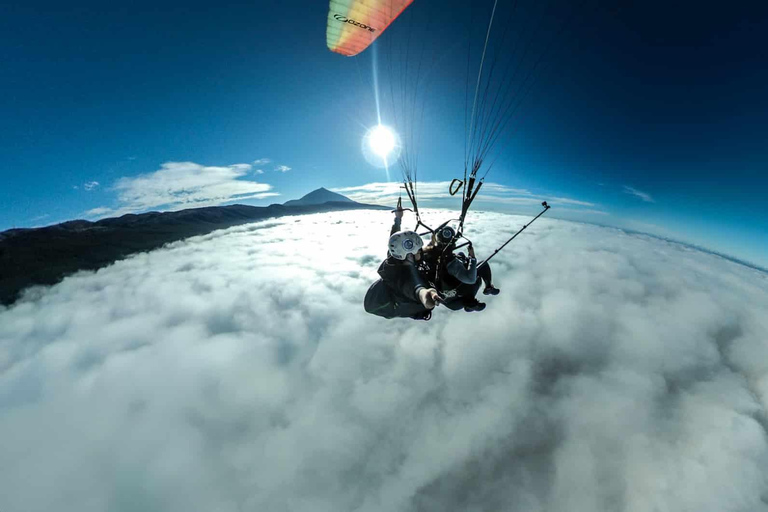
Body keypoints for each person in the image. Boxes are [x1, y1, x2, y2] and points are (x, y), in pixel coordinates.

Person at [363, 201, 442, 320]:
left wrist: (398, 219)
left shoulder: (395, 259)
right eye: (419, 250)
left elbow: (394, 239)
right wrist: (425, 294)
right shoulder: (405, 278)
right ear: (411, 255)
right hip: (410, 302)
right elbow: (415, 287)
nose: (421, 251)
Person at [422, 225, 499, 313]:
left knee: (461, 254)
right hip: (460, 293)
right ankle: (488, 287)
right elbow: (470, 279)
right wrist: (472, 257)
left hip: (448, 300)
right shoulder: (451, 263)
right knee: (482, 265)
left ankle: (470, 303)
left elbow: (434, 245)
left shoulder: (428, 254)